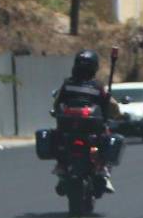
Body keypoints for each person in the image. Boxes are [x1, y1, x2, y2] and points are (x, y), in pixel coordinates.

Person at [52, 49, 123, 194]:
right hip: (92, 131)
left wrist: (58, 113)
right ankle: (103, 170)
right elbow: (110, 105)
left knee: (59, 138)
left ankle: (61, 166)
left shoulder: (67, 84)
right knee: (107, 136)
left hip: (69, 129)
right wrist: (117, 115)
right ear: (94, 67)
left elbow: (57, 102)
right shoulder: (97, 87)